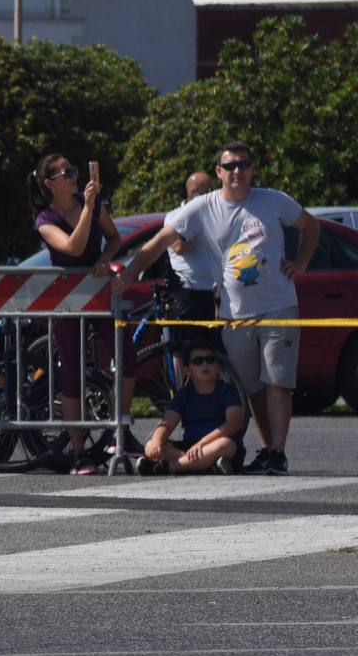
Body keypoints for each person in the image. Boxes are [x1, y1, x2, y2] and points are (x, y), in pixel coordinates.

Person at [120, 142, 319, 475]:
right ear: (219, 172)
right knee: (252, 387)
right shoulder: (203, 207)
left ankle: (278, 454)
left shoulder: (273, 200)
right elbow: (160, 241)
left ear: (253, 169)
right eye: (230, 166)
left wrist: (300, 262)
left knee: (278, 383)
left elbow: (310, 226)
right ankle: (267, 448)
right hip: (234, 313)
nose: (237, 171)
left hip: (278, 306)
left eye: (243, 164)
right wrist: (128, 274)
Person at [29, 151, 123, 475]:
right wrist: (88, 208)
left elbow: (114, 238)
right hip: (67, 298)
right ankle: (79, 451)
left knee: (126, 355)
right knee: (72, 372)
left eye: (75, 170)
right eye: (66, 173)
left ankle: (120, 435)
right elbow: (73, 247)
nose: (73, 177)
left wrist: (104, 260)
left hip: (96, 294)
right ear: (49, 183)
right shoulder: (45, 218)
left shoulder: (93, 206)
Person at [138, 337, 245, 476]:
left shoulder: (228, 390)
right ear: (187, 370)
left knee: (225, 445)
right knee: (149, 445)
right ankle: (202, 465)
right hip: (190, 446)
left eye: (210, 360)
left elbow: (233, 425)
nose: (205, 364)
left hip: (215, 444)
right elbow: (167, 423)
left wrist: (201, 444)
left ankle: (169, 467)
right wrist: (157, 442)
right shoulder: (184, 394)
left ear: (217, 367)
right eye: (198, 361)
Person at [163, 170, 218, 384]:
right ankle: (182, 394)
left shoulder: (217, 215)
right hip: (188, 293)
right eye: (202, 192)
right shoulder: (177, 216)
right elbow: (179, 246)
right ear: (191, 194)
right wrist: (199, 222)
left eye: (211, 191)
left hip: (215, 292)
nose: (208, 196)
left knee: (214, 351)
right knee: (183, 351)